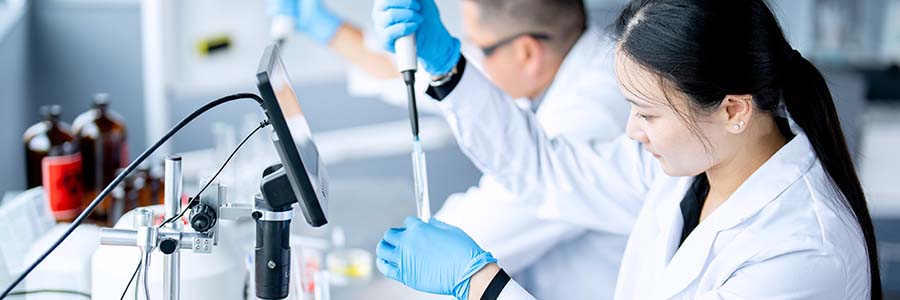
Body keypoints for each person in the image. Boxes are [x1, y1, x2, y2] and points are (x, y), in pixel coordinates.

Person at [370, 0, 883, 299]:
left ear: (733, 110)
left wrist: (483, 284)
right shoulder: (693, 166)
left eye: (648, 113)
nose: (632, 130)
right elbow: (547, 169)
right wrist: (447, 65)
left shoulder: (802, 252)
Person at [268, 0, 633, 299]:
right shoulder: (553, 60)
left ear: (526, 52)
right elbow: (432, 78)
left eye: (479, 47)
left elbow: (478, 232)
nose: (472, 57)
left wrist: (382, 279)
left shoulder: (592, 116)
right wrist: (329, 28)